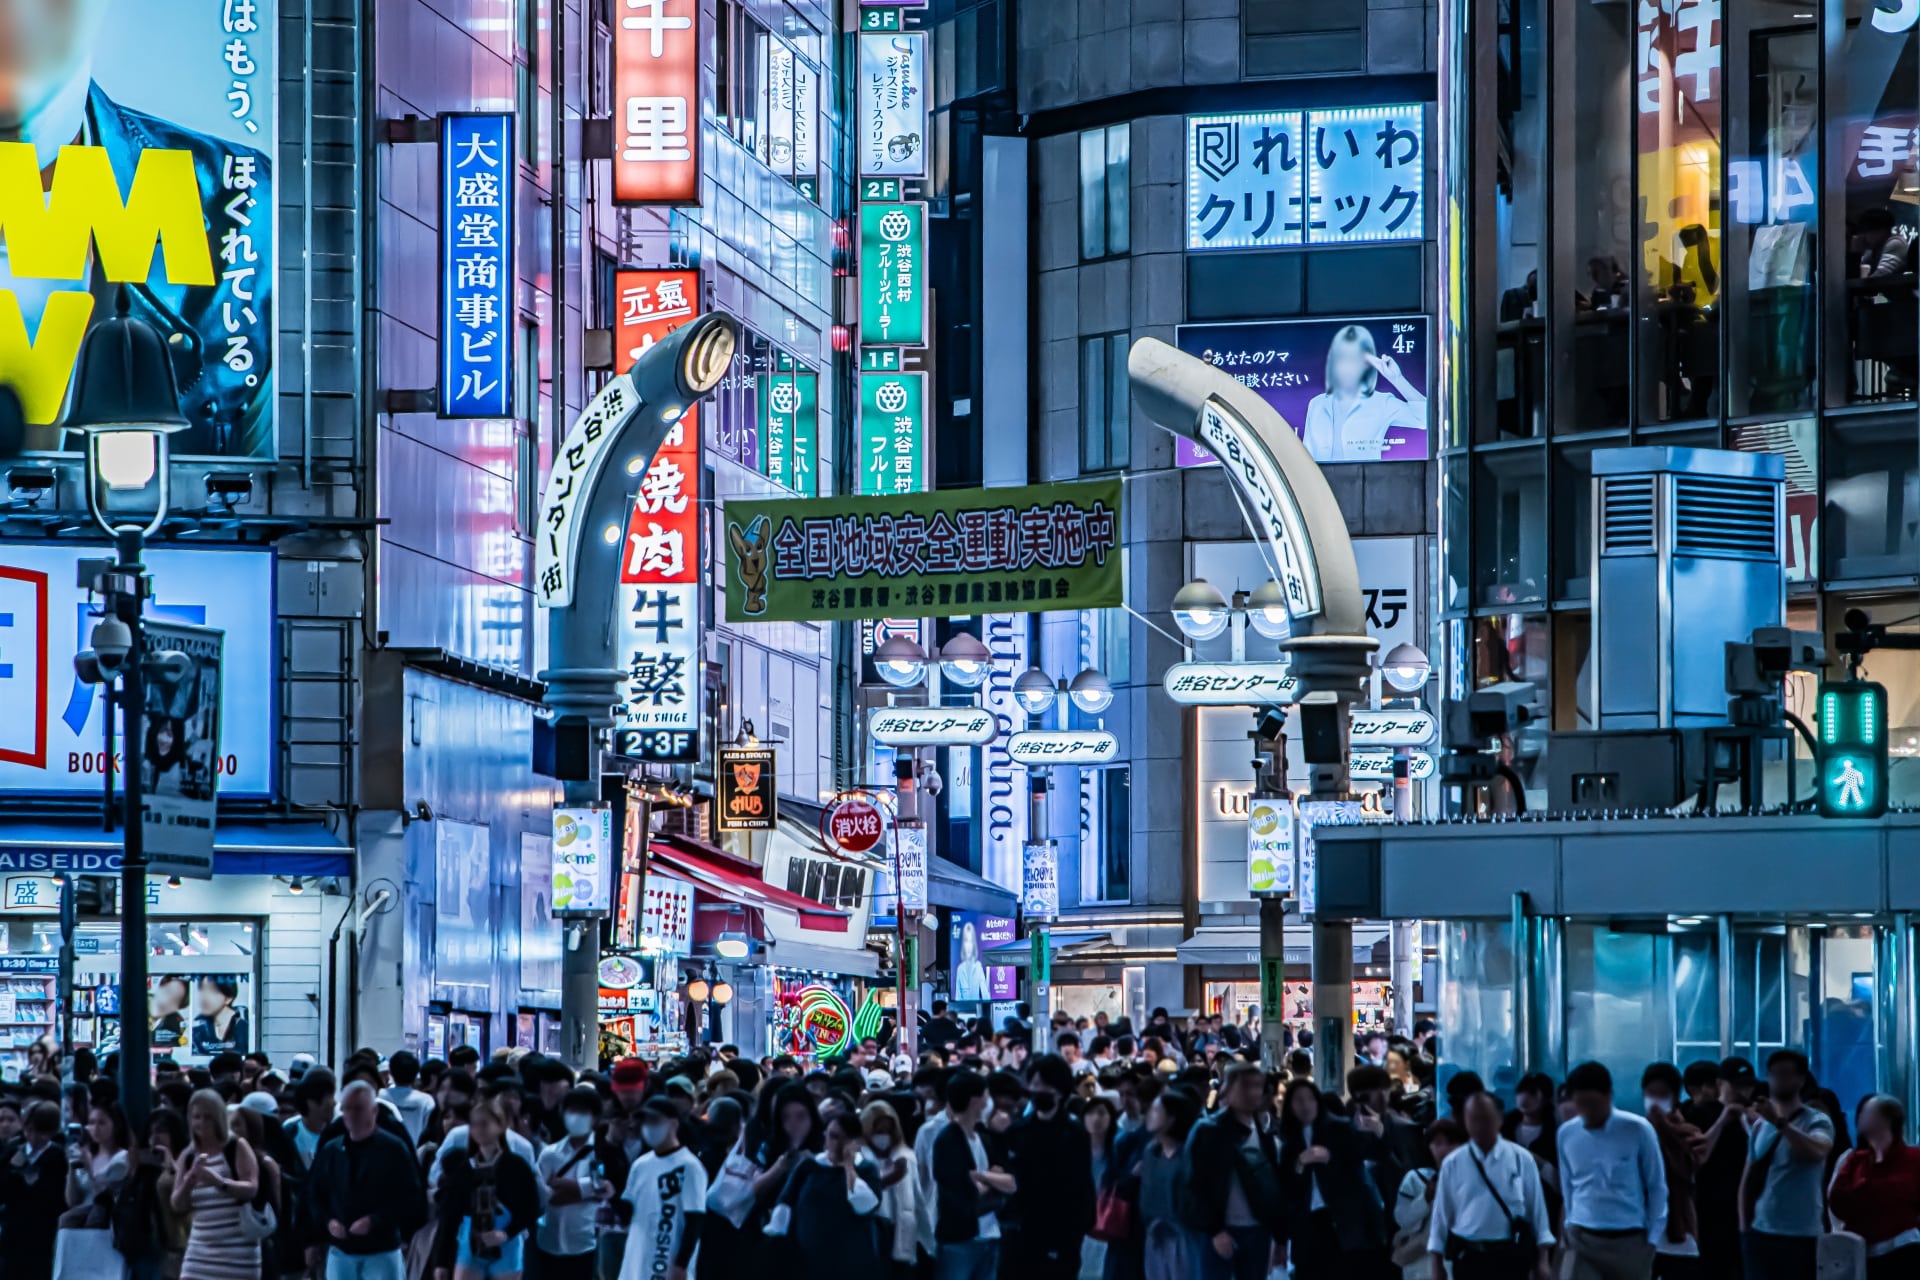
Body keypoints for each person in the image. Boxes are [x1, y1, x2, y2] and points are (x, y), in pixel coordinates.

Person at [305, 1080, 427, 1280]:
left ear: (374, 1111)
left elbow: (411, 1197)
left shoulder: (393, 1149)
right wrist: (328, 1222)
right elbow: (315, 1194)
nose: (352, 1115)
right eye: (347, 1109)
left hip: (382, 1249)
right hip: (341, 1249)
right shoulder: (332, 1150)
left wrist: (376, 1220)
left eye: (359, 1109)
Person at [1555, 1062, 1665, 1280]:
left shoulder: (1638, 1130)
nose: (1587, 1111)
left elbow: (1657, 1187)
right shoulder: (1567, 1134)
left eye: (1592, 1104)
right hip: (1582, 1236)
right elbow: (1567, 1185)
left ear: (1609, 1096)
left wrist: (1652, 1240)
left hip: (1629, 1239)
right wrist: (1568, 1225)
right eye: (1581, 1104)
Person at [1426, 1093, 1554, 1280]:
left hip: (1511, 1256)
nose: (1479, 1126)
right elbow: (1441, 1217)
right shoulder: (1453, 1163)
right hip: (1469, 1257)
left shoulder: (1521, 1158)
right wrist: (1436, 1264)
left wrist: (1542, 1261)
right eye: (1473, 1119)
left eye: (1485, 1119)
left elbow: (1537, 1213)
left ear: (1499, 1119)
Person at [1279, 1077, 1389, 1279]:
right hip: (1308, 1226)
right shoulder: (1288, 1141)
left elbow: (1360, 1160)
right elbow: (1287, 1190)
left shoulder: (1339, 1128)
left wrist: (1330, 1158)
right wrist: (1299, 1165)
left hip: (1341, 1220)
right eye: (1298, 1100)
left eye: (1309, 1099)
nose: (1305, 1106)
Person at [1185, 1061, 1284, 1280]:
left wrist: (1279, 1235)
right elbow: (1196, 1184)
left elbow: (1272, 1186)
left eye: (1257, 1086)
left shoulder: (1263, 1130)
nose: (1253, 1092)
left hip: (1257, 1229)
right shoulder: (1209, 1131)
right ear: (1227, 1090)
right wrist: (1214, 1229)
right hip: (1222, 1230)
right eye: (1245, 1086)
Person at [1739, 1050, 1833, 1280]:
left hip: (1803, 1234)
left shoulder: (1816, 1120)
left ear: (1801, 1079)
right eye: (1774, 1074)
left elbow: (1817, 1151)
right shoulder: (1760, 1126)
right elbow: (1748, 1178)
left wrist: (1781, 1124)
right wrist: (1744, 1228)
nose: (1779, 1080)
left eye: (1786, 1074)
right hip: (1761, 1232)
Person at [432, 1096, 540, 1280]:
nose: (479, 1130)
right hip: (470, 1241)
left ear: (500, 1126)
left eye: (485, 1124)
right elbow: (449, 1217)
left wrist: (506, 1233)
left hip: (507, 1241)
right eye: (474, 1125)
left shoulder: (516, 1166)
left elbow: (531, 1208)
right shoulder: (464, 1169)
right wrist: (441, 1261)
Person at [768, 1111, 883, 1278]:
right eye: (832, 1136)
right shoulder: (810, 1166)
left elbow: (865, 1207)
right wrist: (777, 1235)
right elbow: (786, 1200)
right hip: (807, 1257)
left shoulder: (866, 1169)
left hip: (851, 1260)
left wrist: (849, 1167)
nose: (834, 1143)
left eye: (841, 1138)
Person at [531, 1086, 625, 1280]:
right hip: (549, 1240)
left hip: (586, 1242)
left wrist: (569, 1186)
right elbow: (545, 1196)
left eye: (583, 1112)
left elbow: (608, 1189)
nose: (576, 1117)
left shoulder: (604, 1151)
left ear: (596, 1117)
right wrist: (588, 1191)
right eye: (571, 1111)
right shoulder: (550, 1154)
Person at [1301, 322, 1429, 462]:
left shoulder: (1381, 402)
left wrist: (1397, 379)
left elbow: (1425, 418)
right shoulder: (1317, 404)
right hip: (1318, 482)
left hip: (1366, 481)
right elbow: (1307, 456)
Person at [1827, 1094, 1920, 1280]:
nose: (1861, 1118)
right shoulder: (1853, 1160)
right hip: (1861, 1251)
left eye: (1867, 1114)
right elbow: (1837, 1201)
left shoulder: (1913, 1159)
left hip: (1903, 1249)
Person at [172, 1087, 262, 1280]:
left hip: (238, 1254)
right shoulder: (188, 1156)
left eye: (208, 1117)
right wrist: (190, 1179)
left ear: (219, 1118)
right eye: (197, 1117)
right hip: (199, 1253)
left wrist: (218, 1181)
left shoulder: (236, 1147)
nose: (202, 1123)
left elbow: (252, 1188)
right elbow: (177, 1204)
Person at [932, 1069, 1014, 1280]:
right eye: (986, 1095)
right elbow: (963, 1193)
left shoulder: (984, 1138)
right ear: (976, 1099)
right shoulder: (948, 1140)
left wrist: (982, 1177)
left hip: (990, 1234)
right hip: (960, 1240)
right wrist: (992, 1181)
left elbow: (1011, 1183)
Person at [614, 1097, 706, 1280]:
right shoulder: (641, 1164)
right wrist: (609, 1195)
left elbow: (695, 1220)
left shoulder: (689, 1166)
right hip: (638, 1258)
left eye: (655, 1121)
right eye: (646, 1121)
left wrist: (681, 1265)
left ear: (673, 1124)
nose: (649, 1127)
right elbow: (627, 1212)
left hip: (666, 1259)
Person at [1639, 1063, 1705, 1278]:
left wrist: (1663, 1127)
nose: (1655, 1101)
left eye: (1663, 1094)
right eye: (1651, 1094)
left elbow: (1686, 1171)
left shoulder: (1689, 1133)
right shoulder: (1636, 1133)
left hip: (1679, 1234)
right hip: (1644, 1236)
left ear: (1676, 1097)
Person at [1, 1101, 71, 1279]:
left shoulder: (57, 1156)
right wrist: (14, 1170)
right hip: (14, 1228)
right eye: (29, 1130)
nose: (32, 1137)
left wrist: (27, 1174)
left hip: (43, 1230)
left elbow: (55, 1196)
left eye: (39, 1132)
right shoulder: (13, 1152)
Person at [1394, 1117, 1465, 1280]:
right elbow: (1401, 1218)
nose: (1445, 1149)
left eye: (1451, 1142)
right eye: (1438, 1143)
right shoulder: (1415, 1178)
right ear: (1429, 1146)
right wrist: (1424, 1199)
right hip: (1420, 1264)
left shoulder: (1471, 1179)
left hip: (1456, 1263)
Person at [859, 1101, 917, 1279]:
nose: (883, 1137)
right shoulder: (857, 1159)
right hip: (871, 1234)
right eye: (878, 1131)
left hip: (902, 1232)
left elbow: (919, 1200)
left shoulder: (906, 1157)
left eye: (887, 1131)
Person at [381, 1052, 436, 1146]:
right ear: (416, 1073)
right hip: (417, 1154)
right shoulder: (426, 1100)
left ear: (391, 1072)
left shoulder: (379, 1095)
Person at [192, 977, 250, 1056]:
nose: (204, 997)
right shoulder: (197, 1033)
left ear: (228, 998)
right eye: (202, 990)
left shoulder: (246, 1030)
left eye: (212, 991)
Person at [953, 922, 990, 1003]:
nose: (969, 946)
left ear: (974, 944)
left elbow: (985, 994)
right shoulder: (960, 969)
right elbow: (958, 997)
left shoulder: (978, 967)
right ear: (963, 944)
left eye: (971, 941)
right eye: (966, 941)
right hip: (962, 1012)